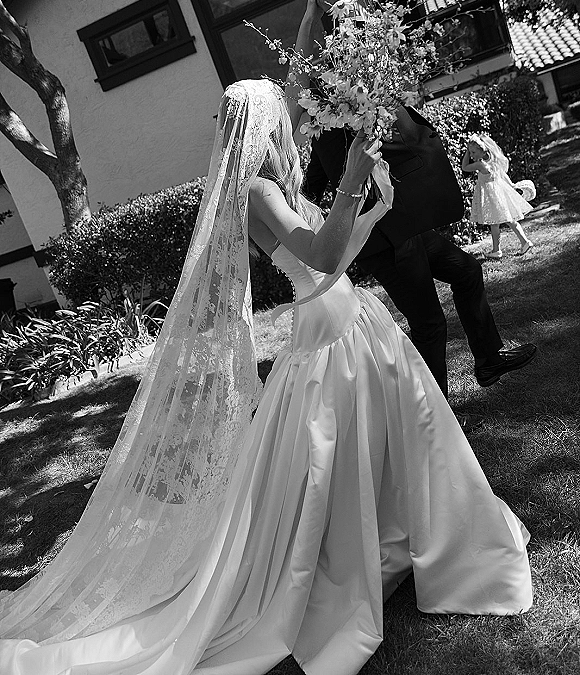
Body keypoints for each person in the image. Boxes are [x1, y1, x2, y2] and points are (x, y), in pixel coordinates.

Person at [0, 79, 532, 675]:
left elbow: (333, 260)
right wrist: (353, 178)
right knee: (338, 457)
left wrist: (376, 205)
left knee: (388, 441)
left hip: (347, 319)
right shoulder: (255, 190)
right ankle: (362, 554)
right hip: (329, 334)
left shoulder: (274, 187)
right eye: (280, 118)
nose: (289, 128)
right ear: (260, 126)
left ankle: (403, 534)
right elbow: (322, 260)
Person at [287, 0, 537, 395]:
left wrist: (351, 8)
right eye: (348, 33)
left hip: (407, 223)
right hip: (385, 237)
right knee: (429, 323)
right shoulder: (329, 104)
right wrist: (316, 16)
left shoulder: (366, 88)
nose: (358, 39)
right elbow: (302, 69)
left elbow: (371, 51)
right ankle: (432, 418)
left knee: (468, 270)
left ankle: (489, 359)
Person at [463, 133, 534, 259]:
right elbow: (503, 175)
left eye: (473, 152)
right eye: (470, 153)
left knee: (497, 222)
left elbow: (465, 167)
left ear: (482, 150)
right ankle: (519, 243)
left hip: (492, 196)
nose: (472, 156)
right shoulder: (492, 161)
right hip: (499, 193)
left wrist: (466, 153)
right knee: (507, 221)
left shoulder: (481, 165)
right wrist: (511, 184)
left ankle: (502, 248)